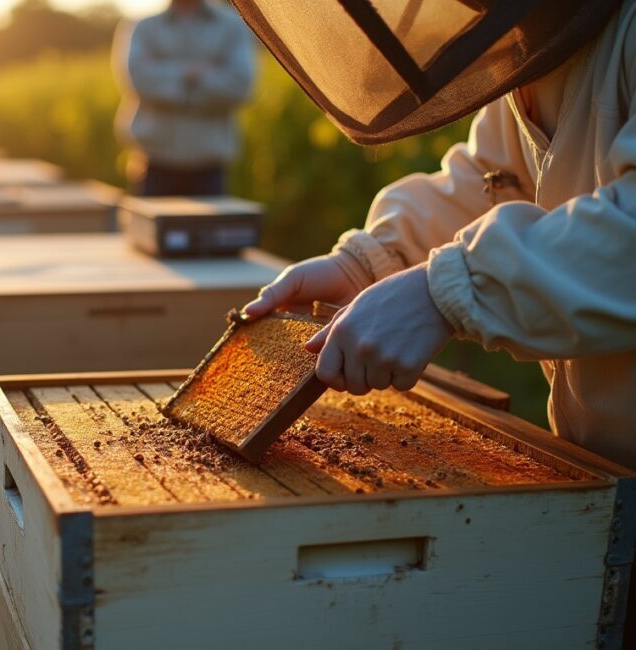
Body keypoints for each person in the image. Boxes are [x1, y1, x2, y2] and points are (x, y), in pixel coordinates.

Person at [237, 1, 636, 469]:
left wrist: (444, 292)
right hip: (606, 460)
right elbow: (492, 180)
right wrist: (371, 262)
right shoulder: (545, 36)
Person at [113, 0, 256, 196]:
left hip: (209, 171)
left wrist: (166, 77)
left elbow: (240, 86)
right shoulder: (144, 27)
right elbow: (139, 80)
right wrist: (194, 74)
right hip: (154, 167)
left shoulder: (233, 25)